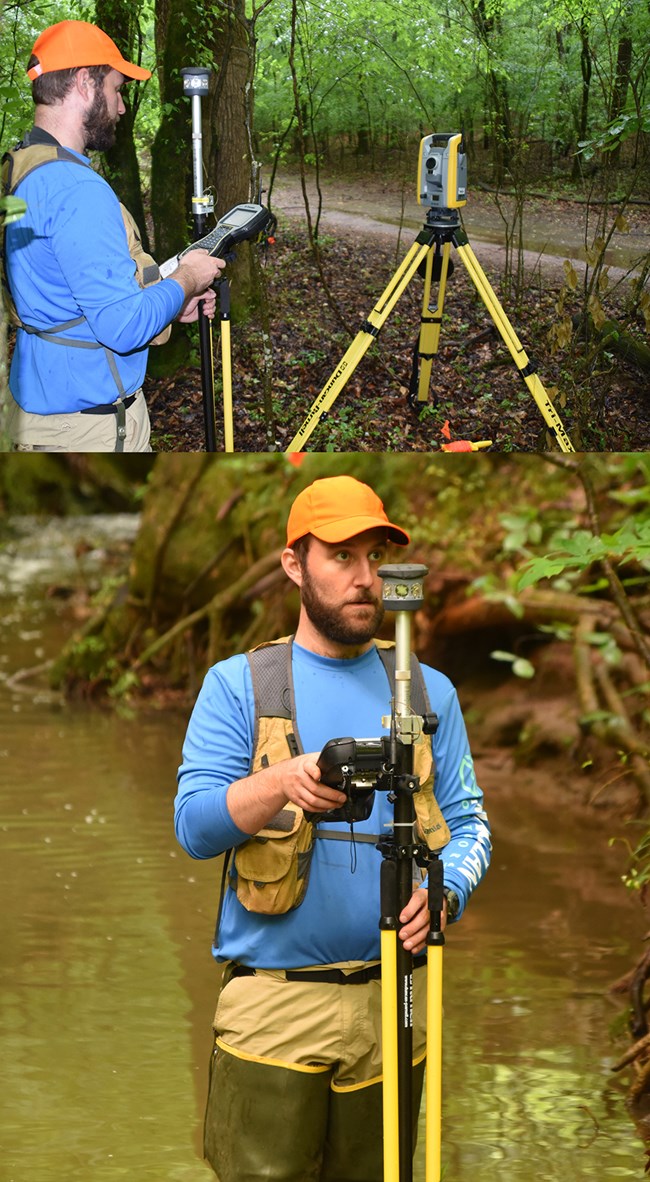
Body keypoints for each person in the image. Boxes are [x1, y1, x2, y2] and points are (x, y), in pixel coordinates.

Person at [175, 475, 491, 1182]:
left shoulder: (426, 690)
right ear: (294, 565)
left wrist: (445, 894)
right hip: (272, 1007)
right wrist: (283, 782)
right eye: (341, 557)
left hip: (396, 1004)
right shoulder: (240, 685)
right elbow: (194, 828)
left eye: (374, 558)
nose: (364, 578)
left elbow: (471, 825)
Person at [2, 20, 225, 452]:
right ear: (85, 83)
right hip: (88, 432)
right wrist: (189, 278)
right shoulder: (75, 188)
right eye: (116, 89)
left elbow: (67, 295)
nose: (121, 107)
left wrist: (169, 304)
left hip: (39, 414)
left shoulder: (24, 169)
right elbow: (122, 328)